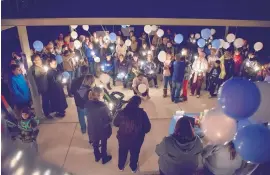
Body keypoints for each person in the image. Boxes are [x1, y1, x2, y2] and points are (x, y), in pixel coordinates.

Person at [114, 96, 151, 173]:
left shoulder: (122, 112)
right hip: (137, 139)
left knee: (122, 152)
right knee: (135, 153)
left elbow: (115, 123)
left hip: (123, 138)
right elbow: (147, 128)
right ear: (138, 103)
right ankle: (133, 167)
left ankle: (121, 166)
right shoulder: (142, 113)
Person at [85, 87, 112, 164]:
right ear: (100, 95)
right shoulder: (103, 106)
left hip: (92, 128)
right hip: (102, 129)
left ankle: (97, 156)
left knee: (95, 143)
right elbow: (109, 118)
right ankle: (104, 158)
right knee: (103, 144)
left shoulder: (88, 103)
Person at [71, 68, 94, 134]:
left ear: (80, 71)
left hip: (79, 103)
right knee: (89, 117)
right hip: (87, 105)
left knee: (81, 117)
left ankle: (83, 129)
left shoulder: (75, 80)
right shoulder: (89, 86)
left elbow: (72, 92)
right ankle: (90, 128)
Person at [29, 54, 53, 119]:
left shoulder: (41, 66)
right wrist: (44, 73)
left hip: (46, 84)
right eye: (38, 59)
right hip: (42, 87)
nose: (40, 60)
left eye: (39, 59)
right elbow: (36, 76)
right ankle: (46, 113)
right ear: (34, 61)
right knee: (45, 100)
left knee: (47, 99)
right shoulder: (34, 68)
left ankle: (49, 110)